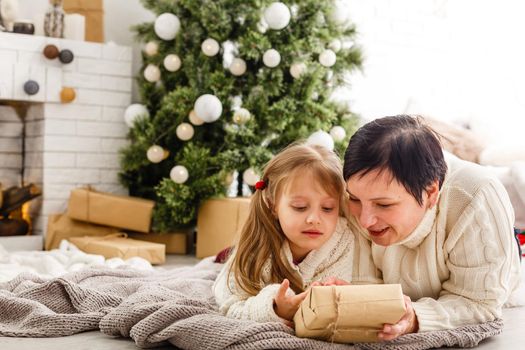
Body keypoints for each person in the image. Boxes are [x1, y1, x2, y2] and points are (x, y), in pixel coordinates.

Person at [328, 115, 522, 341]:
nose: (364, 221)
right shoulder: (361, 192)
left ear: (431, 193)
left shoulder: (476, 197)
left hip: (498, 263)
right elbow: (366, 287)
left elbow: (479, 303)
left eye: (384, 204)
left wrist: (415, 319)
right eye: (355, 200)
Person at [213, 143, 359, 324]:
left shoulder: (342, 240)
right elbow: (229, 304)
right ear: (273, 205)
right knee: (225, 258)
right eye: (300, 207)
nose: (314, 219)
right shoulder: (257, 244)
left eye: (328, 208)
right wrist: (275, 308)